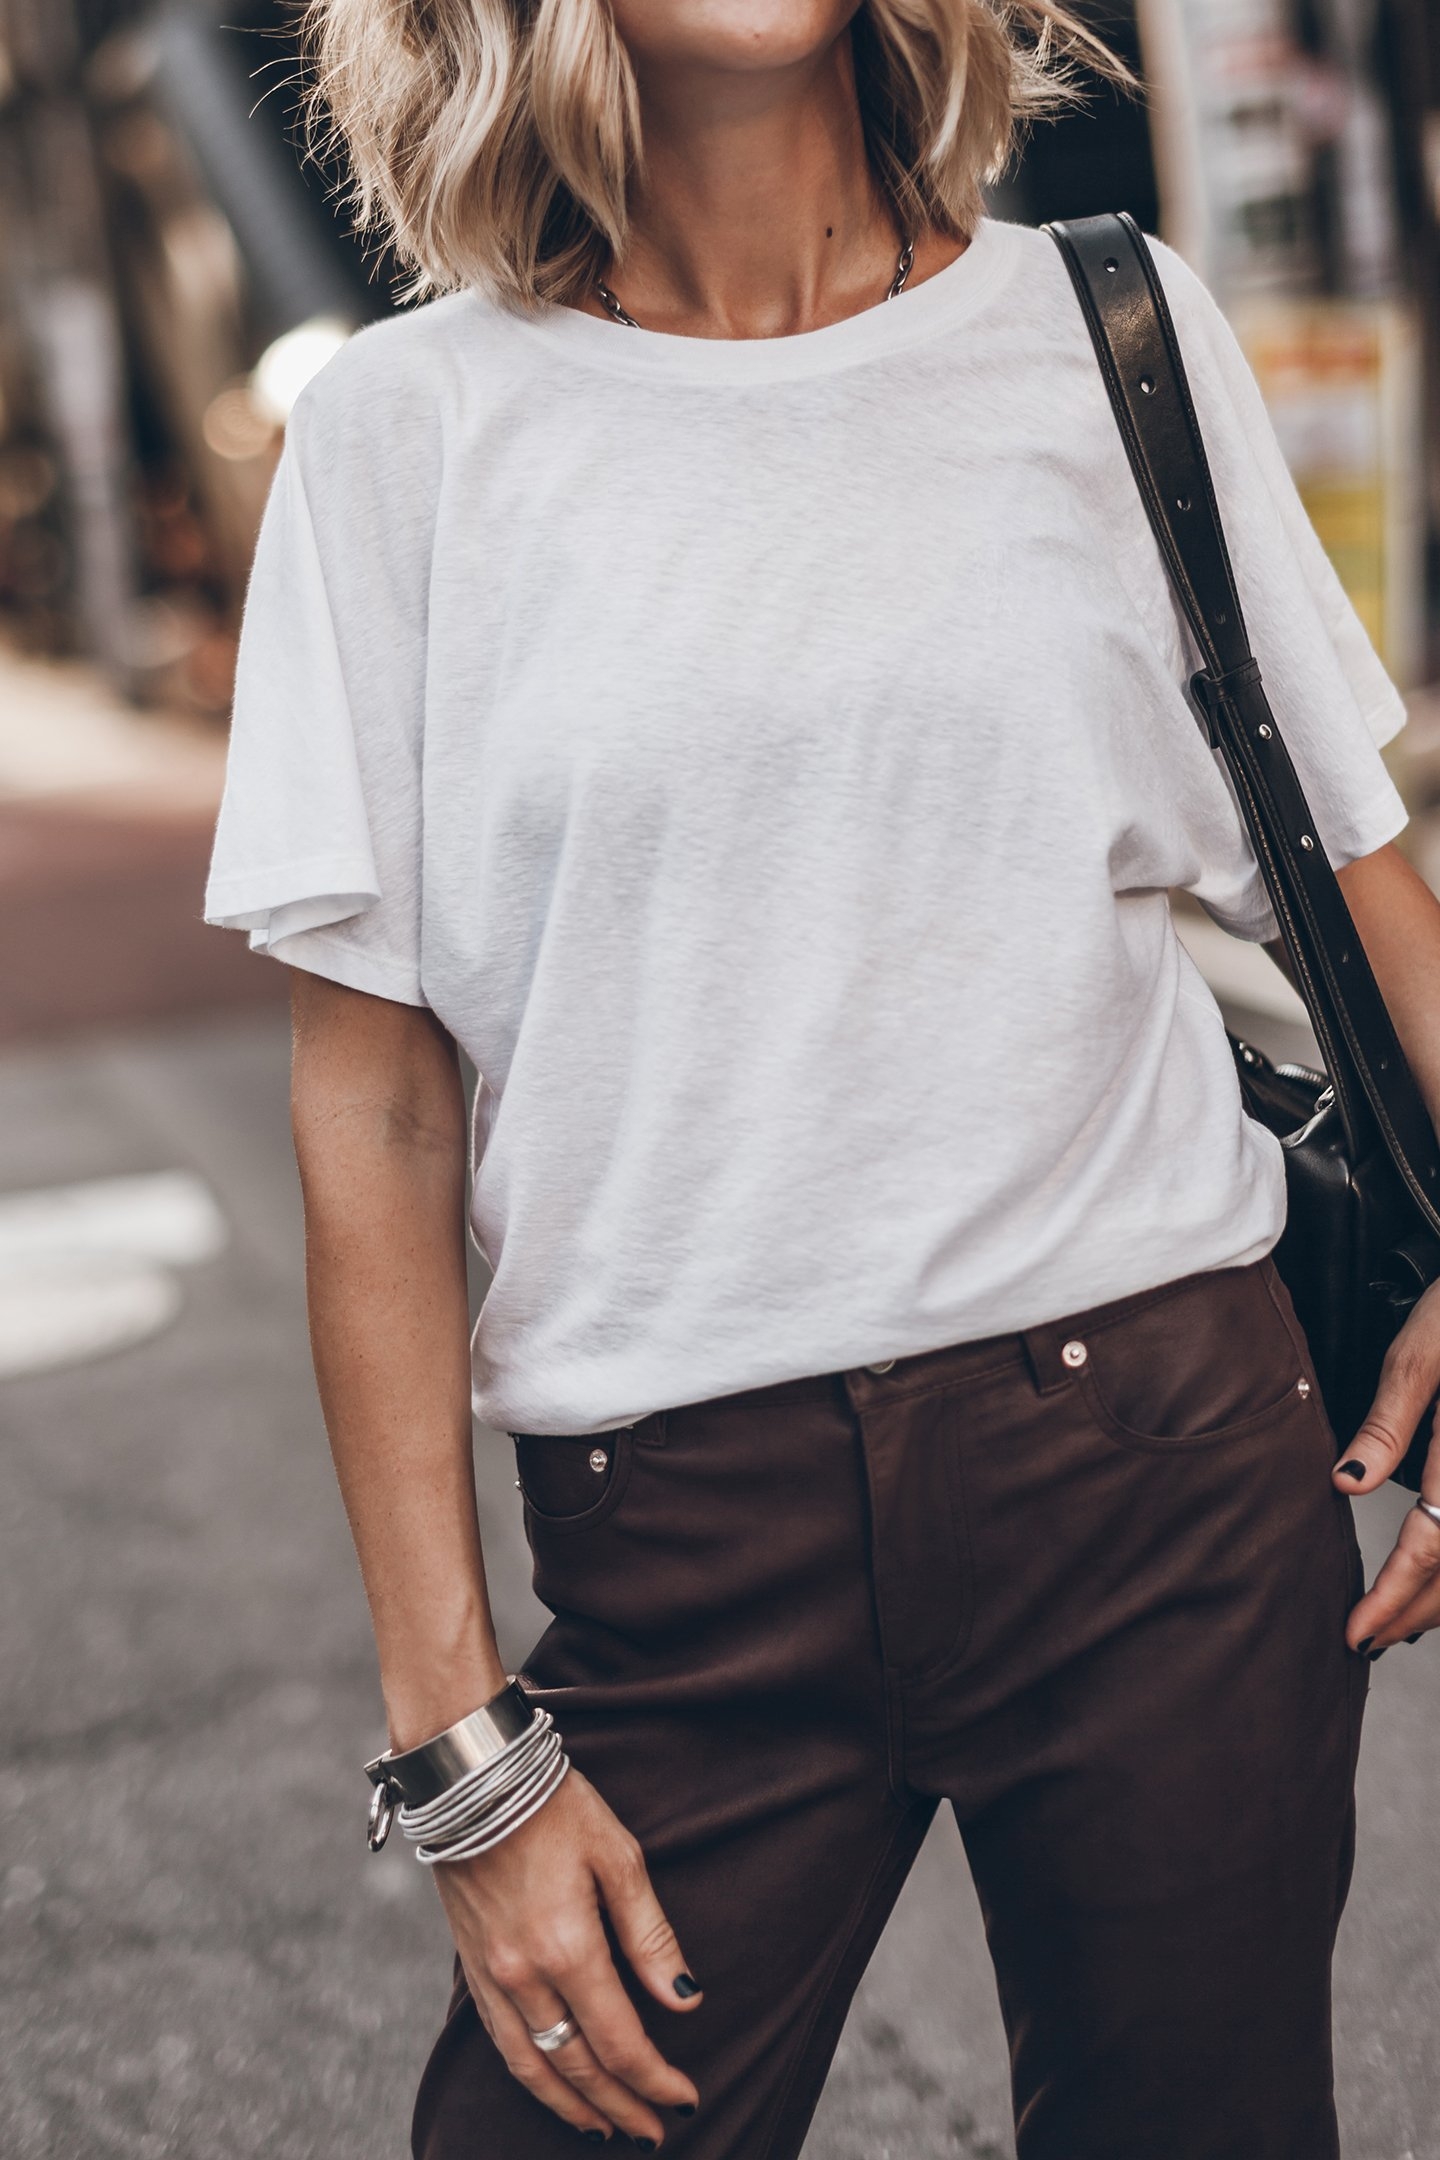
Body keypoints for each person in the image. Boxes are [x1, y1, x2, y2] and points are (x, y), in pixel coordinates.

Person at [203, 0, 1440, 2151]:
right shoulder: (407, 436)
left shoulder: (1113, 331)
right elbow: (377, 1111)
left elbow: (1359, 881)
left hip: (1164, 1472)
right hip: (689, 1547)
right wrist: (458, 1751)